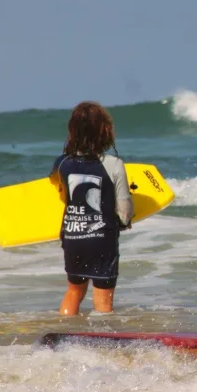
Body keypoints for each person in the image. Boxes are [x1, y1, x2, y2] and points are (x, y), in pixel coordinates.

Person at [51, 101, 133, 315]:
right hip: (101, 239)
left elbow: (54, 184)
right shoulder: (114, 164)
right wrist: (125, 222)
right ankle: (101, 346)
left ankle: (64, 333)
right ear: (105, 130)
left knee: (74, 290)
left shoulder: (62, 163)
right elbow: (124, 209)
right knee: (103, 300)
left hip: (72, 236)